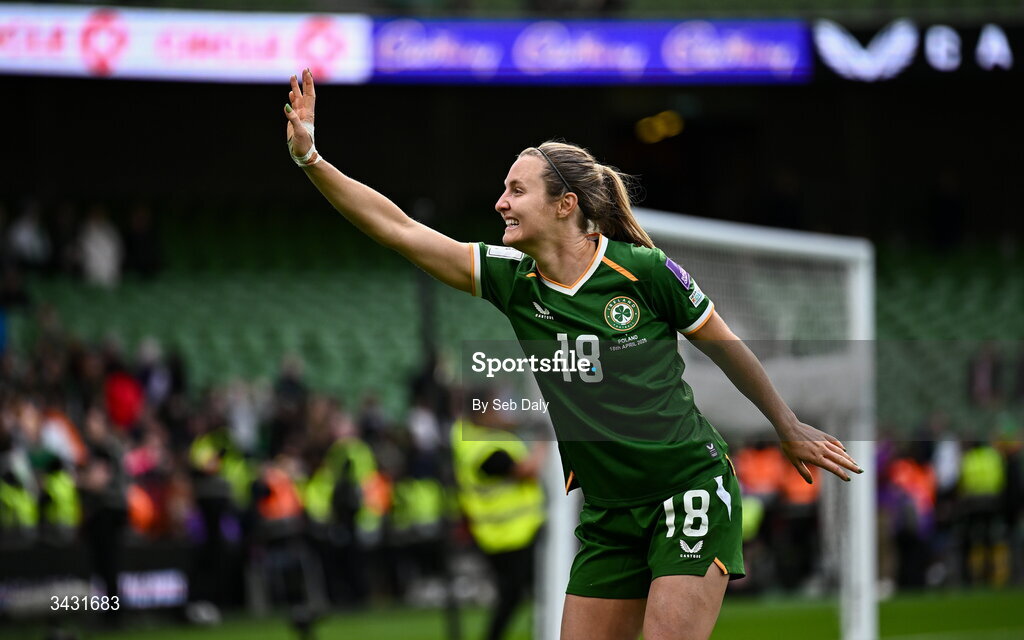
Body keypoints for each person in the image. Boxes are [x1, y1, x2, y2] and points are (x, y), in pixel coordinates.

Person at [281, 69, 862, 640]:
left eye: (516, 190)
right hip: (609, 514)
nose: (500, 202)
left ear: (565, 205)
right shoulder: (513, 280)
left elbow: (728, 348)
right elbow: (400, 230)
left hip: (686, 488)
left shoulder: (642, 271)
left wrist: (785, 425)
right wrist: (311, 160)